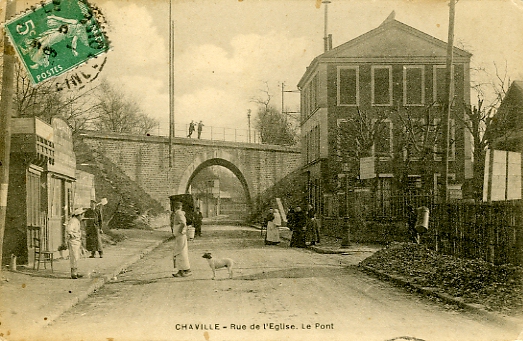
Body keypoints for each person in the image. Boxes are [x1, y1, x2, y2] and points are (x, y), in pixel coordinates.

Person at [171, 201, 192, 277]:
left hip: (180, 236)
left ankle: (184, 270)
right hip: (179, 236)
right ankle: (183, 270)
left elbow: (183, 223)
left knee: (179, 252)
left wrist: (179, 231)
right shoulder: (179, 213)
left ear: (175, 207)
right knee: (180, 252)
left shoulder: (179, 213)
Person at [66, 207, 86, 279]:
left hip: (77, 241)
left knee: (76, 257)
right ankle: (73, 273)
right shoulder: (73, 221)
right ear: (78, 215)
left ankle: (76, 272)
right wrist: (72, 235)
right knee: (74, 257)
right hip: (73, 241)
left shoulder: (77, 221)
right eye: (82, 215)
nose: (82, 216)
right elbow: (69, 230)